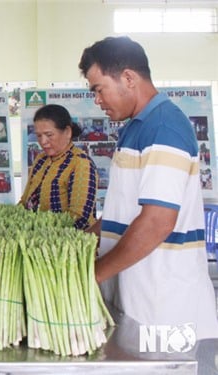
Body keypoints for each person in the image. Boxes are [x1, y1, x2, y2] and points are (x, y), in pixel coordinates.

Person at [78, 36, 218, 340]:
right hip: (137, 301)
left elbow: (156, 222)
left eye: (98, 89)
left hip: (165, 310)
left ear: (128, 78)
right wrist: (76, 244)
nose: (97, 101)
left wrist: (93, 274)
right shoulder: (136, 128)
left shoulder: (164, 127)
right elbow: (122, 213)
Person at [19, 104, 98, 230]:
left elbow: (80, 218)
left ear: (67, 132)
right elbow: (25, 202)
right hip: (35, 238)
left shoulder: (80, 163)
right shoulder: (41, 160)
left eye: (49, 135)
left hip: (68, 242)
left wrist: (44, 231)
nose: (43, 141)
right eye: (39, 135)